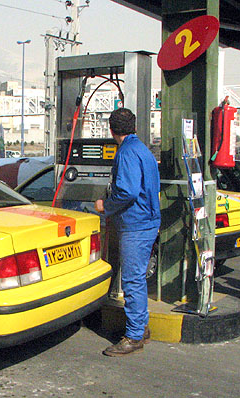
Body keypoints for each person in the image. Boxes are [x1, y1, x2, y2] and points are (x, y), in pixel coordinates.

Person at [94, 107, 160, 357]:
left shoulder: (127, 153)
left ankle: (133, 336)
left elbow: (128, 191)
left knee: (131, 280)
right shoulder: (143, 150)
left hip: (135, 224)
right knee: (138, 279)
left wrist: (105, 206)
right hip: (148, 222)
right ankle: (140, 327)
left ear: (111, 130)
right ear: (134, 127)